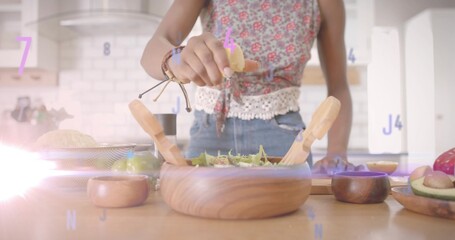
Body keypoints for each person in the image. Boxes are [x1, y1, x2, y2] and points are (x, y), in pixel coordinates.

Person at [141, 0, 354, 173]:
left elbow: (339, 87)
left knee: (291, 223)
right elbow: (153, 50)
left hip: (286, 142)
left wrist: (336, 153)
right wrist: (173, 58)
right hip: (212, 133)